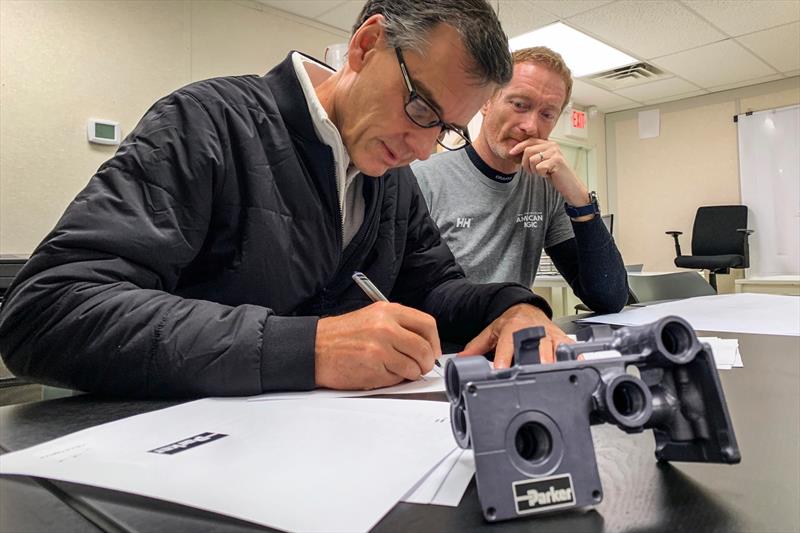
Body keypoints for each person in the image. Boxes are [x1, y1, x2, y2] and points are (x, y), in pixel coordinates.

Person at [0, 1, 565, 398]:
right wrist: (307, 348)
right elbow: (48, 312)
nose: (421, 148)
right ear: (366, 46)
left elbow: (436, 289)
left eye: (442, 128)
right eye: (419, 108)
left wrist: (511, 308)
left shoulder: (391, 178)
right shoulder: (206, 123)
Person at [412, 46, 628, 345]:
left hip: (515, 345)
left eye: (547, 114)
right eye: (519, 104)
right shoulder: (423, 179)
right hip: (443, 353)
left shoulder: (545, 187)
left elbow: (609, 297)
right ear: (487, 100)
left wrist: (579, 198)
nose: (531, 126)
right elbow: (410, 297)